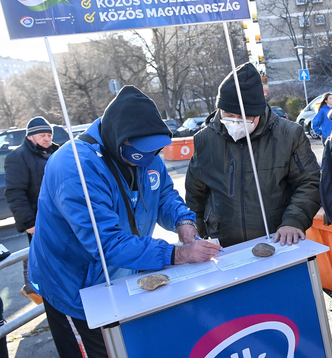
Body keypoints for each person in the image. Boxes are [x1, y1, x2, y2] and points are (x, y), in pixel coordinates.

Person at [28, 86, 222, 358]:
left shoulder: (148, 155)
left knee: (129, 347)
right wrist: (176, 253)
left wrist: (184, 221)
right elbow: (106, 242)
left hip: (123, 274)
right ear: (121, 138)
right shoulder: (74, 167)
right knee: (98, 351)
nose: (149, 158)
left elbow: (163, 193)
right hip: (74, 286)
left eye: (154, 151)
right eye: (142, 152)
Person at [185, 63, 321, 247]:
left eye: (243, 116)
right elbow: (195, 194)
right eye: (228, 114)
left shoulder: (289, 135)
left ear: (258, 111)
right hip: (223, 246)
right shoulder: (205, 140)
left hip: (278, 240)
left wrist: (293, 221)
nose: (235, 121)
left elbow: (309, 182)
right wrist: (196, 236)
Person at [3, 116, 60, 305]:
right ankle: (39, 293)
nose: (47, 138)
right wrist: (29, 223)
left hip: (62, 218)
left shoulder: (57, 153)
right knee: (42, 263)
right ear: (30, 137)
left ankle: (59, 296)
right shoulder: (17, 157)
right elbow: (14, 193)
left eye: (49, 134)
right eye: (42, 135)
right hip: (38, 221)